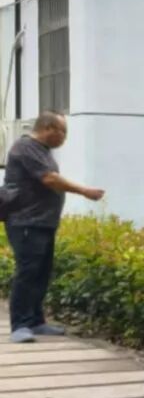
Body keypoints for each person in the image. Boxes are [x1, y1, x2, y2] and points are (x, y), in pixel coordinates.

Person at [3, 113, 104, 343]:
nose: (64, 138)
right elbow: (50, 179)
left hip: (43, 223)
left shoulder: (42, 151)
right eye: (63, 132)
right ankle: (20, 325)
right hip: (26, 222)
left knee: (41, 272)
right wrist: (84, 191)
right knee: (28, 273)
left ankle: (36, 321)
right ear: (48, 128)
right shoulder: (25, 148)